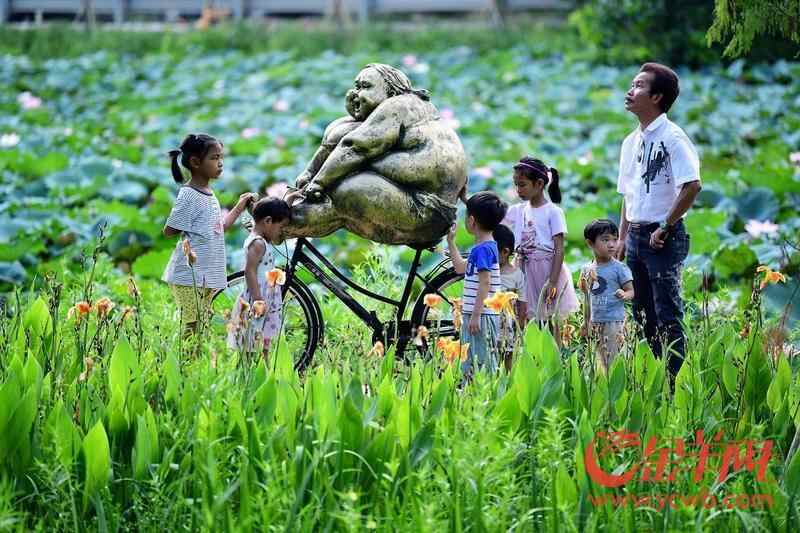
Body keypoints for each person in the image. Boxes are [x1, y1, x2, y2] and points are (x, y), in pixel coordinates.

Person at [287, 63, 468, 247]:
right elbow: (343, 134)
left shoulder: (397, 105)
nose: (356, 93)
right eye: (356, 87)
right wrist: (310, 173)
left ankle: (281, 225)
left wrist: (318, 182)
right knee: (344, 180)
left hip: (424, 211)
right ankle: (284, 223)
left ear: (391, 91)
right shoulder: (418, 107)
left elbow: (355, 147)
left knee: (345, 189)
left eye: (365, 86)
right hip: (438, 214)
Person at [615, 63, 701, 384]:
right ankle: (656, 382)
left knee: (667, 314)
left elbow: (692, 185)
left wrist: (666, 224)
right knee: (642, 315)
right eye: (632, 84)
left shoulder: (673, 138)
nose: (630, 91)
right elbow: (628, 194)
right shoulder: (630, 142)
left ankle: (677, 385)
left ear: (657, 97)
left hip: (663, 237)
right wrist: (622, 237)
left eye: (638, 86)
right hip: (636, 237)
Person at [161, 133, 254, 337]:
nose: (220, 163)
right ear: (196, 162)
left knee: (200, 326)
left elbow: (219, 228)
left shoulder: (208, 194)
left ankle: (192, 356)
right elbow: (169, 230)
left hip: (205, 274)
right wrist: (187, 224)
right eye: (214, 158)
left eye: (221, 157)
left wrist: (240, 206)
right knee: (191, 326)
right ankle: (183, 356)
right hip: (189, 275)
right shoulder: (189, 194)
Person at [501, 156, 579, 345]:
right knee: (525, 317)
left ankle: (555, 356)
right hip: (523, 270)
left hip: (546, 271)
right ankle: (530, 356)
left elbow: (559, 249)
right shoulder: (518, 210)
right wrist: (468, 201)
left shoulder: (553, 212)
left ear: (539, 184)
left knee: (551, 320)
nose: (518, 190)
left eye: (522, 185)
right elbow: (492, 216)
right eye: (516, 185)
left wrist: (552, 281)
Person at [445, 191, 507, 377]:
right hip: (476, 315)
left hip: (481, 316)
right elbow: (460, 268)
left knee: (482, 363)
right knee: (471, 360)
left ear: (471, 221)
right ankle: (471, 390)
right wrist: (451, 242)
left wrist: (475, 315)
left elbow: (485, 283)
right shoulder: (484, 247)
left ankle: (485, 391)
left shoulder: (483, 250)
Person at [227, 197, 291, 360]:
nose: (281, 232)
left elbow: (273, 213)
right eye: (280, 227)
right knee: (253, 337)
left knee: (264, 337)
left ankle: (263, 366)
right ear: (268, 221)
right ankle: (251, 368)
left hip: (267, 295)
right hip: (259, 296)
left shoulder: (261, 237)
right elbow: (250, 271)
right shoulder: (258, 244)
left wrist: (289, 200)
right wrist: (257, 300)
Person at [579, 219, 634, 374]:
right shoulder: (586, 269)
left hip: (614, 322)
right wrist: (585, 322)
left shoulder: (619, 268)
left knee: (614, 360)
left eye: (615, 240)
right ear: (590, 243)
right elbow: (587, 299)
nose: (612, 244)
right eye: (605, 240)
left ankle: (618, 385)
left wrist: (625, 294)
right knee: (598, 361)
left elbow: (631, 291)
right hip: (595, 322)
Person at [492, 223, 527, 371]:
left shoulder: (516, 274)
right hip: (489, 321)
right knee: (491, 355)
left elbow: (522, 302)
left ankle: (508, 379)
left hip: (507, 323)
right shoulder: (487, 271)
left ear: (505, 252)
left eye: (491, 251)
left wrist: (521, 325)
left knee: (508, 355)